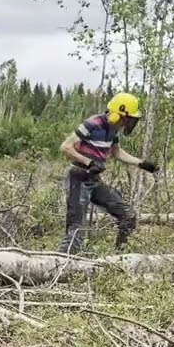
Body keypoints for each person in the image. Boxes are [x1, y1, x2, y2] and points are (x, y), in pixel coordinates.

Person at [57, 92, 159, 254]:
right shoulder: (93, 123)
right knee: (76, 229)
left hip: (93, 179)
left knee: (128, 216)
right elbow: (66, 146)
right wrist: (88, 162)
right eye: (128, 119)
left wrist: (142, 163)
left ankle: (119, 257)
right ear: (118, 114)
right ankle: (62, 265)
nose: (128, 123)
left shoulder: (114, 130)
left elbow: (116, 153)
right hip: (78, 177)